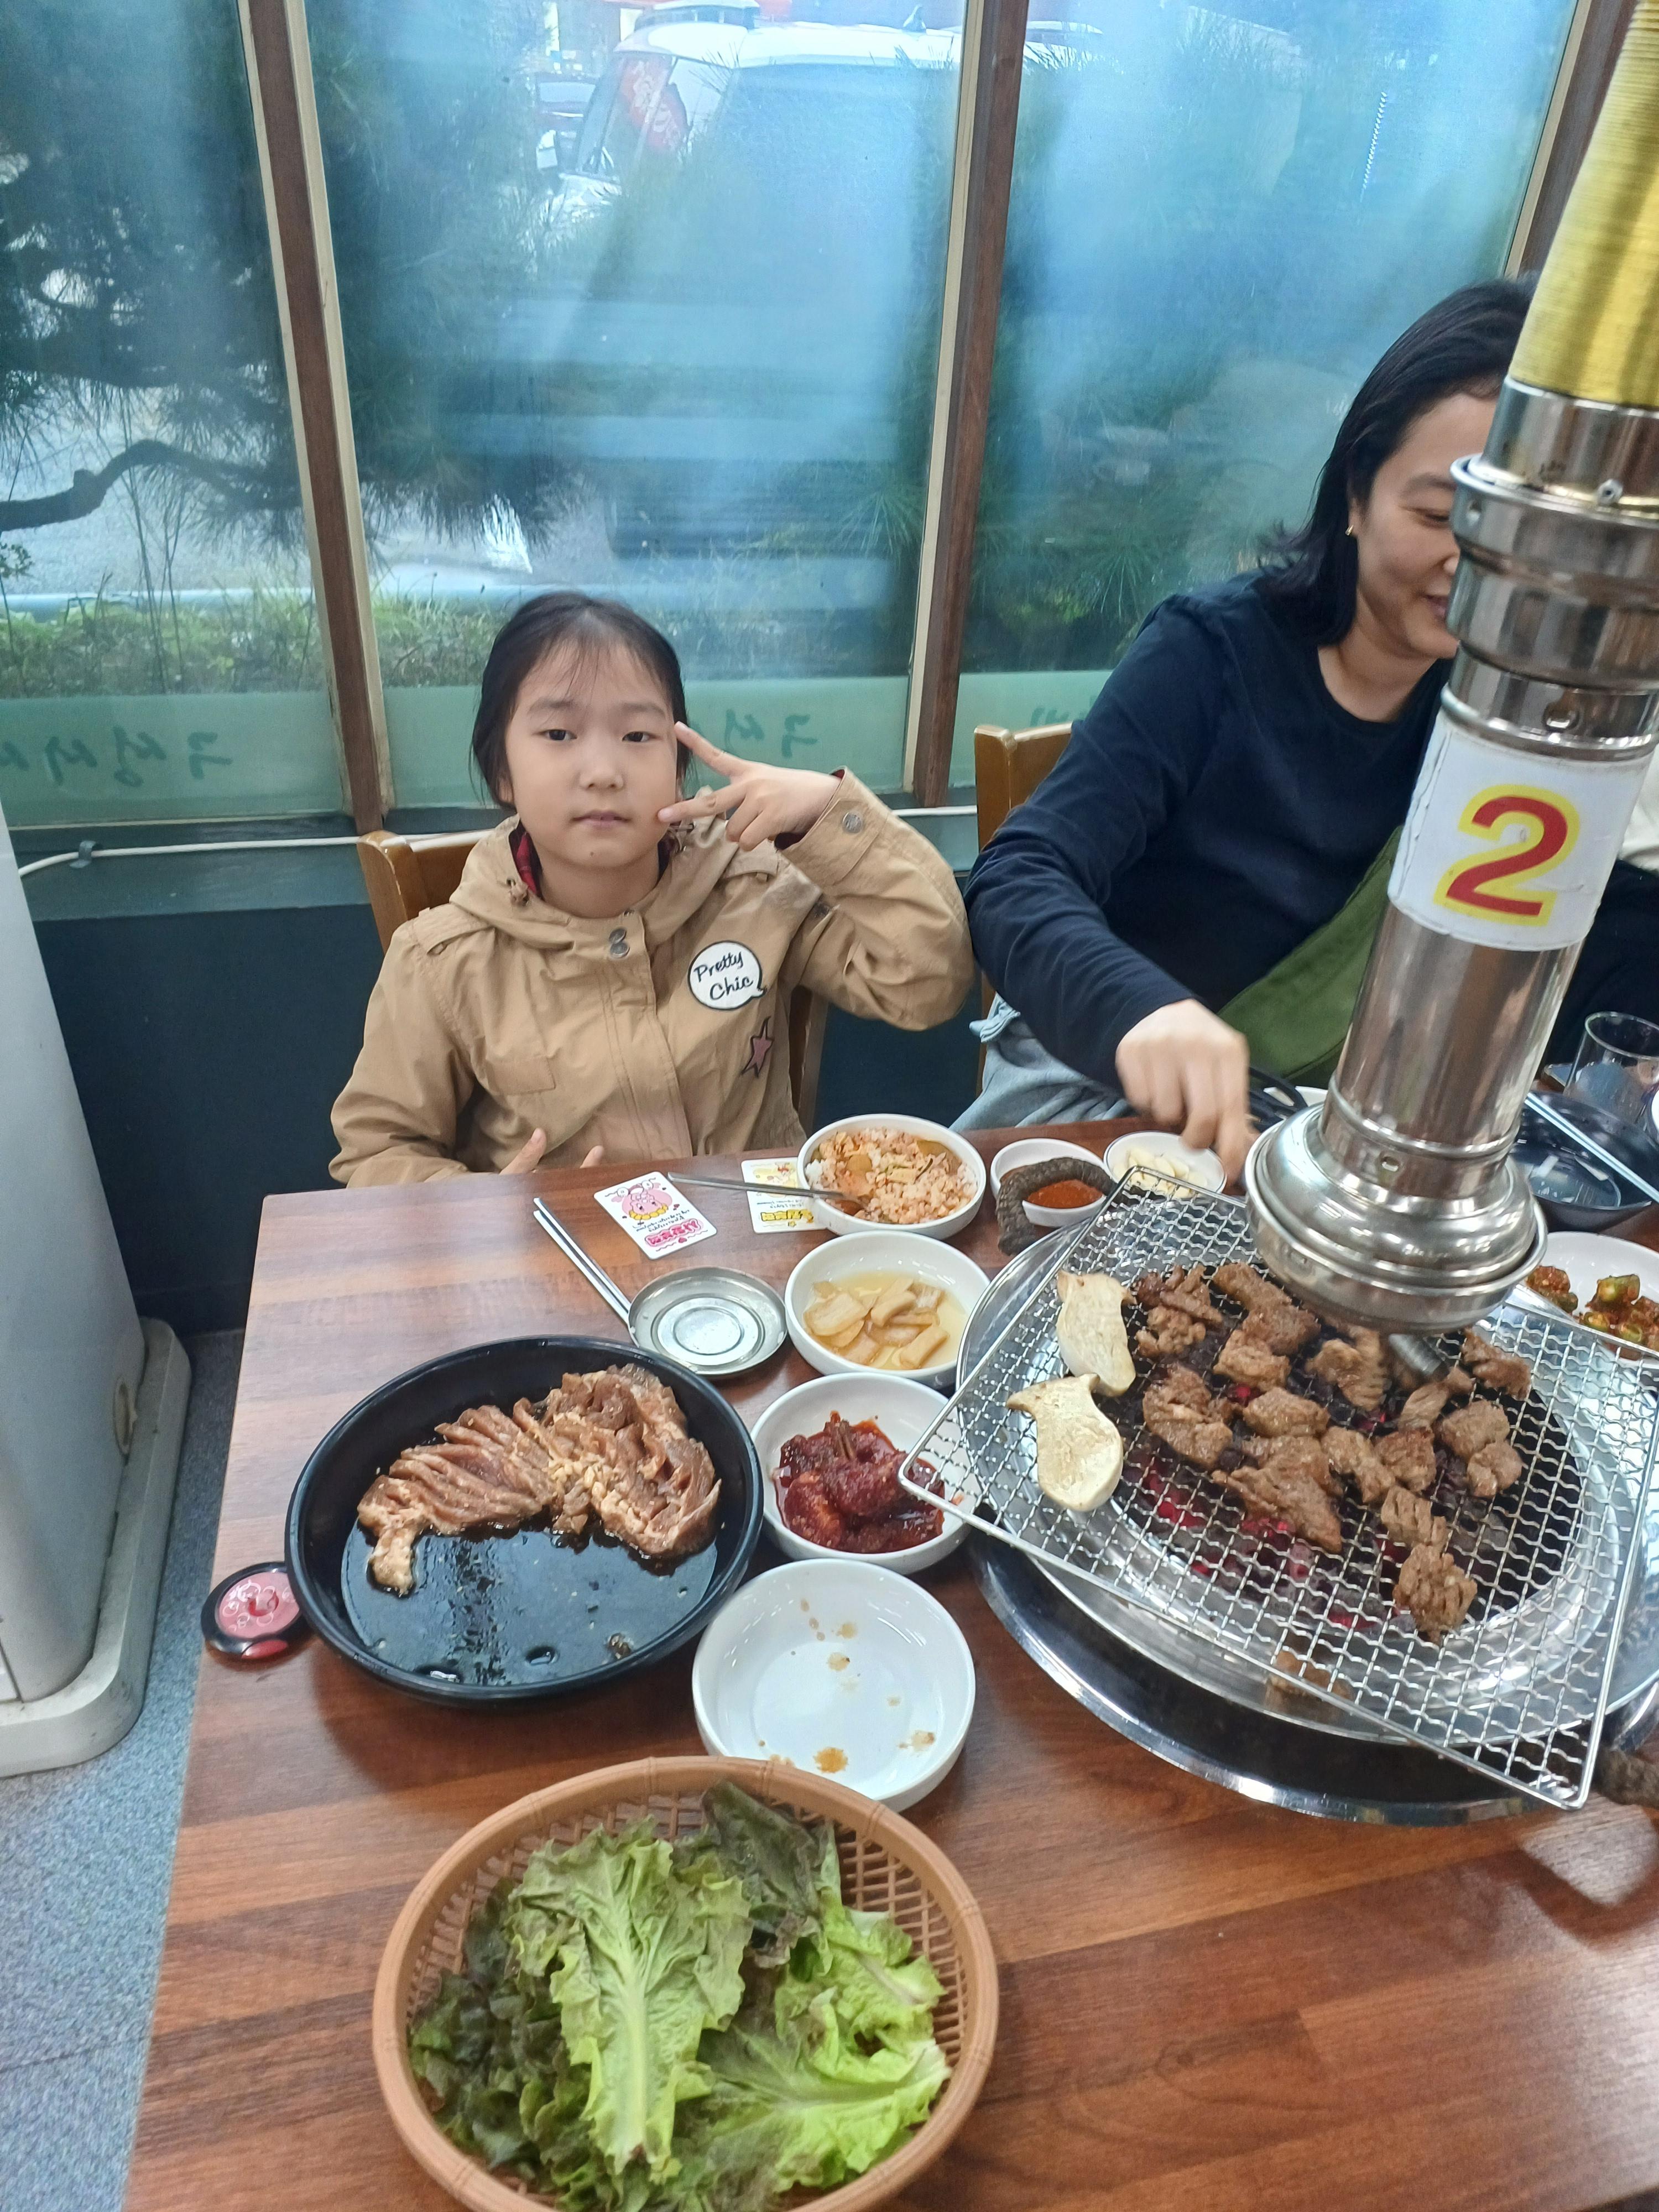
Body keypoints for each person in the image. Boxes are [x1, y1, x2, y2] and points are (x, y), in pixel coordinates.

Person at [962, 276, 1659, 1177]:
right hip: (1107, 1097)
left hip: (1325, 1125)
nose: (1477, 564)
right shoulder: (1211, 654)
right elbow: (1018, 878)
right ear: (1356, 495)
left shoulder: (1506, 719)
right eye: (1440, 516)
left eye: (1519, 535)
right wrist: (1144, 1013)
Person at [330, 593, 972, 1183]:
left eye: (638, 736)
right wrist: (484, 1214)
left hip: (754, 1251)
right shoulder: (441, 961)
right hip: (555, 1259)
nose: (603, 772)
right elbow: (377, 1151)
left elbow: (927, 982)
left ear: (678, 765)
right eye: (559, 734)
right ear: (501, 768)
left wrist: (830, 811)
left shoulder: (752, 886)